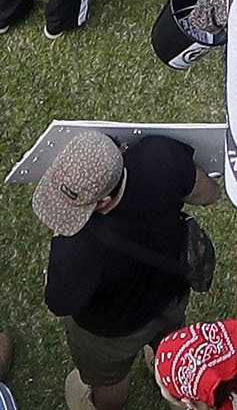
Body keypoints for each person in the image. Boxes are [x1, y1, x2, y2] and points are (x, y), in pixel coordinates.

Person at [37, 122, 208, 410]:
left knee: (109, 379)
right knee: (171, 342)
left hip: (111, 331)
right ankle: (170, 374)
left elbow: (60, 302)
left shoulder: (75, 249)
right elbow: (208, 192)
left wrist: (61, 238)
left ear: (103, 202)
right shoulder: (159, 155)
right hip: (171, 297)